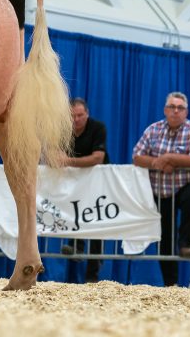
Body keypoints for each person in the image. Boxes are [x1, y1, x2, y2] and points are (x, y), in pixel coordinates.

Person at [132, 91, 190, 286]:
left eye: (180, 108)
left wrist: (169, 158)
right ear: (165, 110)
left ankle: (185, 243)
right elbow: (137, 156)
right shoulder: (153, 129)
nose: (176, 111)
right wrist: (158, 163)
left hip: (185, 187)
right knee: (164, 238)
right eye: (172, 107)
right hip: (159, 191)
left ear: (186, 112)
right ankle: (171, 284)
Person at [60, 97, 109, 282]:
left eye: (80, 115)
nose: (76, 119)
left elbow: (98, 158)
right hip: (74, 185)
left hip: (98, 183)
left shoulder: (98, 128)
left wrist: (69, 161)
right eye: (72, 116)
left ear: (87, 114)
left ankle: (92, 274)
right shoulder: (62, 130)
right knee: (75, 216)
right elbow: (53, 155)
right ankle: (76, 247)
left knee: (96, 225)